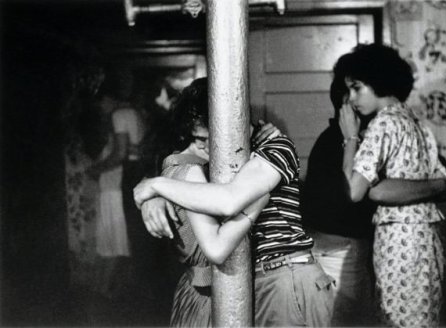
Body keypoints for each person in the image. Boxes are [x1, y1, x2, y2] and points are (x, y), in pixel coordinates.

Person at [134, 78, 336, 327]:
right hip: (261, 281)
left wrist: (155, 186)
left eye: (206, 136)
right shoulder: (216, 160)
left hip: (287, 276)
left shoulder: (275, 147)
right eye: (196, 137)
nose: (200, 145)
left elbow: (228, 201)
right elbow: (185, 175)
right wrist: (155, 196)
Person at [302, 54, 446, 326]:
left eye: (357, 88)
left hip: (399, 242)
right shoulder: (418, 123)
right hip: (428, 243)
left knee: (395, 319)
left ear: (378, 83)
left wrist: (350, 137)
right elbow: (442, 183)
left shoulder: (382, 123)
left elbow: (355, 190)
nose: (352, 98)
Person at [81, 81, 135, 297]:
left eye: (101, 102)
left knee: (114, 242)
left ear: (109, 99)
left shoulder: (118, 117)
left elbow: (119, 156)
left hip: (113, 188)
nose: (101, 108)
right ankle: (100, 288)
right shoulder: (121, 119)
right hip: (109, 188)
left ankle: (103, 289)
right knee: (108, 241)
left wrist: (95, 169)